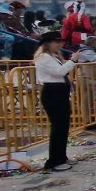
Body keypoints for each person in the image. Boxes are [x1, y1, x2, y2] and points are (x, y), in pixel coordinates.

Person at [34, 31, 82, 172]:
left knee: (63, 127)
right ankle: (54, 161)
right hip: (52, 93)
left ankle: (61, 156)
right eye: (56, 42)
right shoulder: (43, 58)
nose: (59, 44)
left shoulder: (52, 56)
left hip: (60, 92)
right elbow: (60, 72)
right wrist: (72, 61)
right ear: (48, 43)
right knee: (58, 128)